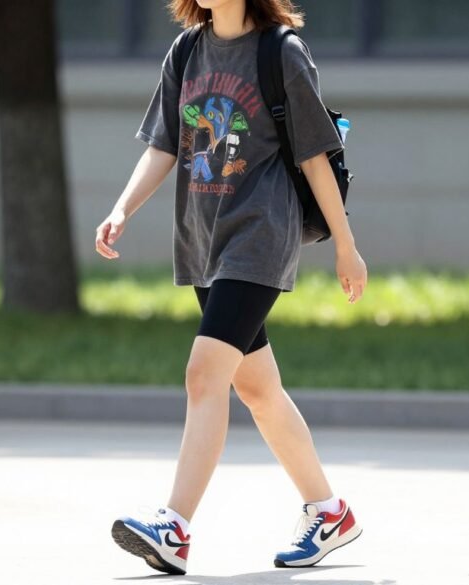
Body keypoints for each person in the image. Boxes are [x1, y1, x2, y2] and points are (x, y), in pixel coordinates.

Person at [95, 0, 368, 575]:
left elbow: (316, 155)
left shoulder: (281, 52)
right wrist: (122, 209)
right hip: (204, 239)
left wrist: (346, 245)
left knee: (204, 374)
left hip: (259, 235)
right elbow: (165, 144)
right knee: (258, 391)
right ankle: (330, 511)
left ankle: (175, 526)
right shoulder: (187, 50)